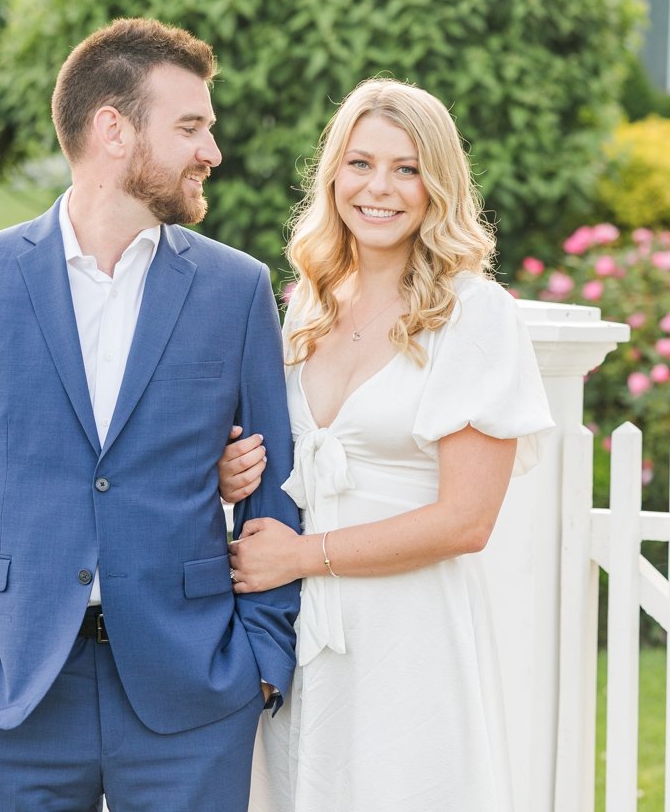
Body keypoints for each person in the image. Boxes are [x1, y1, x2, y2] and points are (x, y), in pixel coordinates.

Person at [0, 18, 301, 812]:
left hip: (192, 695)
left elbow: (271, 494)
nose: (211, 151)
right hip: (13, 695)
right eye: (190, 127)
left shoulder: (237, 289)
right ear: (112, 129)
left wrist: (261, 660)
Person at [220, 78, 555, 812]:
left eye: (407, 169)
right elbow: (278, 455)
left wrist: (303, 556)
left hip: (409, 632)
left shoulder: (473, 315)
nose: (381, 188)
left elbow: (467, 520)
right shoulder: (308, 306)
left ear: (438, 186)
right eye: (361, 163)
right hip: (302, 634)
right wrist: (231, 469)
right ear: (332, 173)